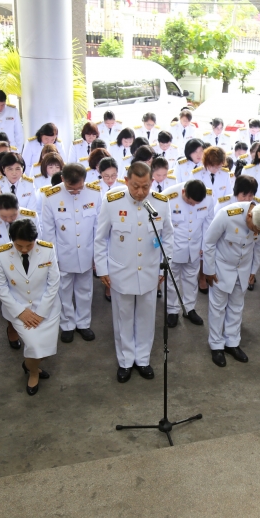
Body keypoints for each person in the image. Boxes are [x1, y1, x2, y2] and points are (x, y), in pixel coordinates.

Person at [94, 161, 172, 382]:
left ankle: (143, 360)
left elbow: (168, 236)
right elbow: (100, 239)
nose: (140, 192)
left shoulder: (161, 203)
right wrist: (102, 270)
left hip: (149, 271)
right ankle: (126, 361)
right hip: (120, 272)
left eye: (145, 186)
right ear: (126, 181)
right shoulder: (111, 202)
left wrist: (163, 267)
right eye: (136, 186)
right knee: (123, 317)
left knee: (147, 318)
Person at [203, 201, 260, 366]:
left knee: (237, 307)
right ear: (249, 216)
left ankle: (232, 343)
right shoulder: (227, 215)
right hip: (221, 269)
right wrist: (209, 270)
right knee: (217, 308)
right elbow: (209, 242)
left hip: (243, 270)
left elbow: (259, 246)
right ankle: (216, 345)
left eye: (259, 231)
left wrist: (253, 271)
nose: (256, 232)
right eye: (255, 228)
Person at [0, 219, 60, 395]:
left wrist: (41, 312)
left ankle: (29, 365)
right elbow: (0, 286)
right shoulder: (1, 254)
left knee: (46, 350)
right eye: (19, 245)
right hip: (18, 307)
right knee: (34, 346)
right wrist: (20, 311)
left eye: (29, 246)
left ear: (35, 240)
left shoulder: (47, 250)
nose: (23, 250)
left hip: (47, 307)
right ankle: (33, 372)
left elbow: (53, 283)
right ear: (11, 239)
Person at [39, 163, 100, 343]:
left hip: (87, 252)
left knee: (85, 289)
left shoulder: (95, 193)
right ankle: (67, 324)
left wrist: (97, 255)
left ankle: (83, 323)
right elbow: (48, 232)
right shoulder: (50, 196)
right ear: (62, 179)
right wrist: (52, 258)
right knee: (63, 290)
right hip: (63, 253)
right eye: (70, 188)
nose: (75, 192)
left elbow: (98, 227)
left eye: (79, 188)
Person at [162, 179, 214, 327]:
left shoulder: (209, 197)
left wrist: (204, 246)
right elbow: (161, 227)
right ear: (183, 192)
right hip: (174, 248)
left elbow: (208, 223)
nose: (193, 206)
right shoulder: (167, 197)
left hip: (195, 248)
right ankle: (172, 310)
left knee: (191, 280)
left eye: (197, 204)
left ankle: (189, 308)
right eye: (190, 202)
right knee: (172, 280)